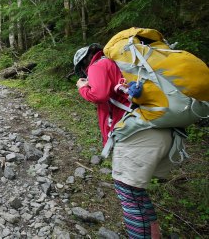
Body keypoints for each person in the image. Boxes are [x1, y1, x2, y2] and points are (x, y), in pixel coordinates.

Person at [74, 44, 174, 239]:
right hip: (155, 128)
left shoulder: (98, 66)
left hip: (137, 136)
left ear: (84, 63)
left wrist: (83, 87)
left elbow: (99, 95)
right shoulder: (120, 66)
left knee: (129, 195)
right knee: (137, 193)